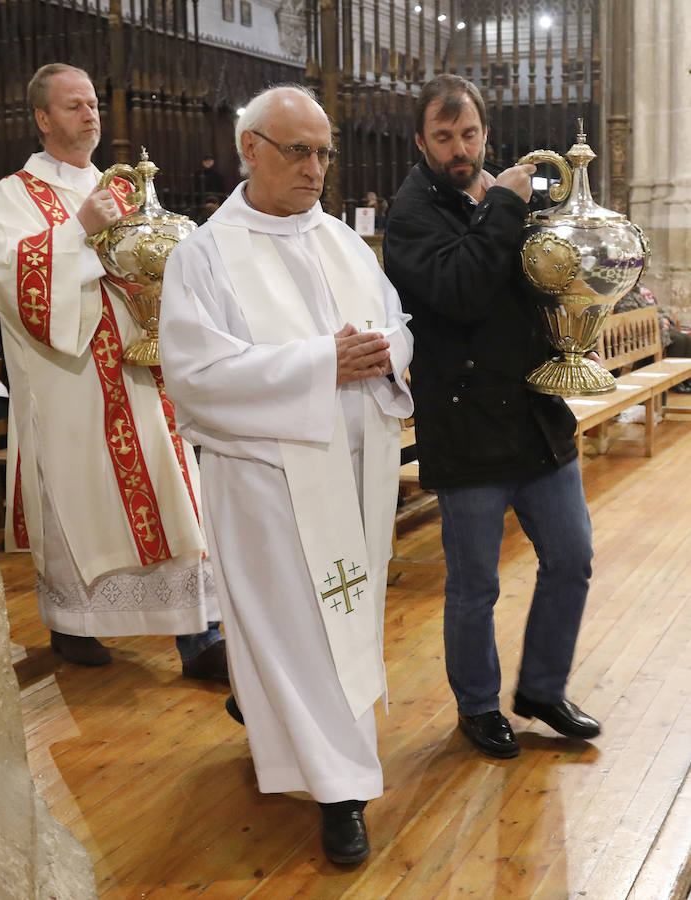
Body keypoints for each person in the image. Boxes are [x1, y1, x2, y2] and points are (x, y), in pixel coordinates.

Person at [159, 84, 413, 864]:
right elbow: (194, 373)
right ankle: (341, 790)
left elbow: (394, 327)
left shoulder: (339, 240)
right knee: (295, 627)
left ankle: (301, 737)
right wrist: (319, 365)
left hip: (356, 470)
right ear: (250, 149)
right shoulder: (204, 253)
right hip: (267, 477)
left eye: (322, 152)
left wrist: (380, 356)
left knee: (337, 622)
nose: (315, 169)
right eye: (298, 151)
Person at [0, 62, 227, 680]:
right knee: (80, 500)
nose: (90, 115)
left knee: (176, 495)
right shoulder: (18, 193)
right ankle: (75, 623)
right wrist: (80, 231)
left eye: (93, 104)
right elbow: (18, 282)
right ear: (42, 119)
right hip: (71, 385)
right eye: (74, 106)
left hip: (140, 374)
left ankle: (201, 638)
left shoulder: (121, 187)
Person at [383, 73, 600, 759]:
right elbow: (462, 290)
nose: (459, 149)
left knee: (571, 558)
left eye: (469, 134)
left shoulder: (507, 196)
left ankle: (540, 688)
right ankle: (477, 706)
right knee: (475, 585)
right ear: (420, 142)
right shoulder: (411, 213)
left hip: (535, 414)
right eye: (443, 137)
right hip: (466, 424)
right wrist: (505, 205)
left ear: (484, 132)